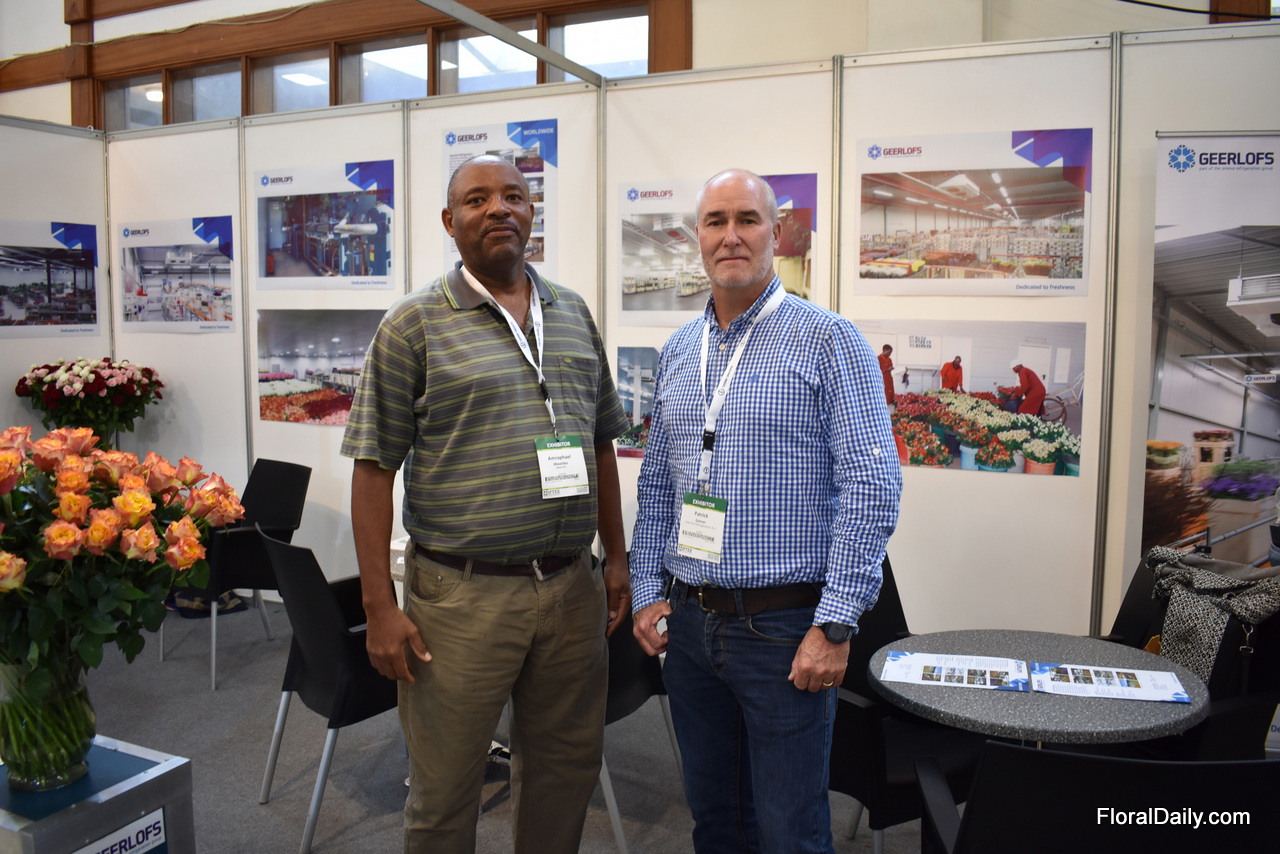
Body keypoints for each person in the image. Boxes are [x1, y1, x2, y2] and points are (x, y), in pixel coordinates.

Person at [340, 154, 632, 854]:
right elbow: (373, 470)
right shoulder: (413, 324)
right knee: (445, 794)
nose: (499, 208)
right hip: (462, 598)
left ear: (532, 212)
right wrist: (379, 606)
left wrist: (616, 558)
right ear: (450, 221)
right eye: (477, 199)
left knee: (564, 776)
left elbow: (600, 445)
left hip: (571, 587)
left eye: (513, 196)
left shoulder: (571, 312)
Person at [630, 168, 902, 853]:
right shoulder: (680, 351)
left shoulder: (828, 340)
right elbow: (659, 483)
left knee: (789, 831)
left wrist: (835, 625)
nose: (731, 236)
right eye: (715, 221)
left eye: (747, 219)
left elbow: (871, 485)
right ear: (697, 237)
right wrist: (645, 591)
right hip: (690, 629)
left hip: (784, 631)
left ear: (776, 233)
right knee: (716, 821)